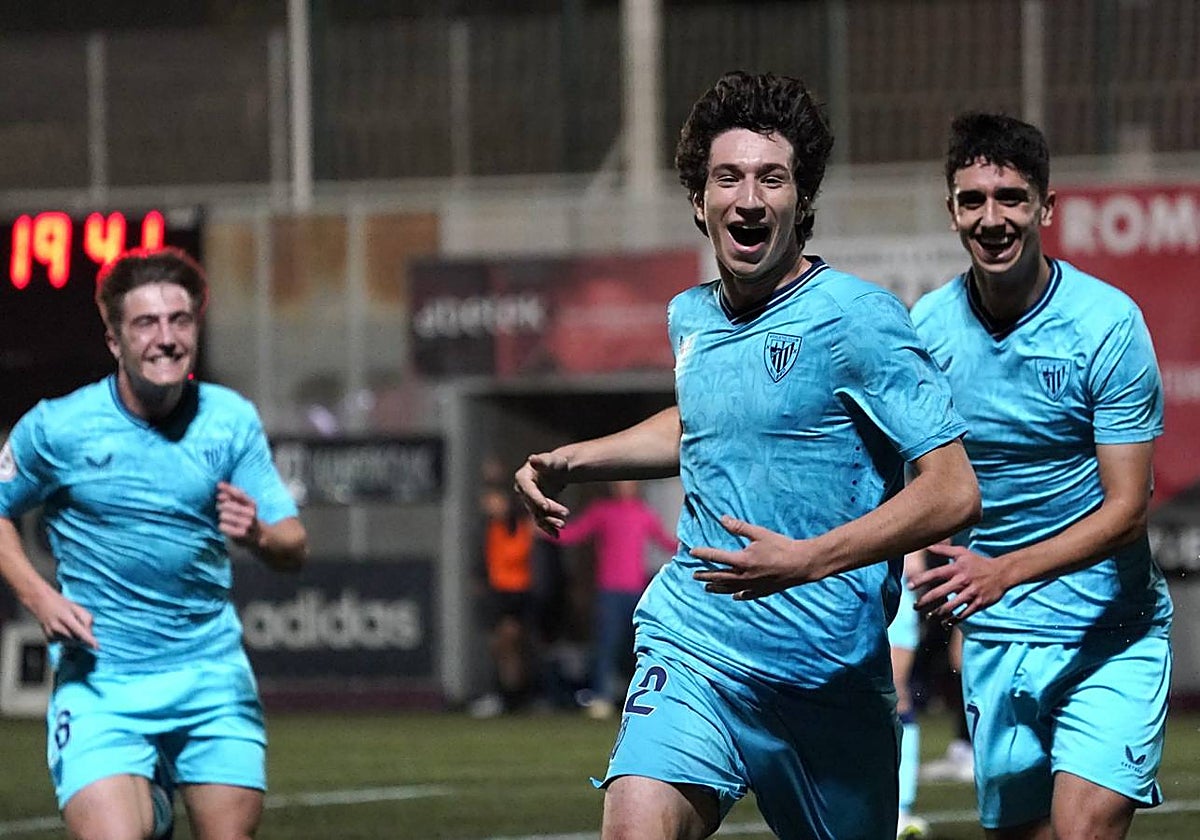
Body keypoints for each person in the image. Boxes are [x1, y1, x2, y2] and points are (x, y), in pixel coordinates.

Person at [515, 70, 980, 840]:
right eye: (728, 177)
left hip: (826, 676)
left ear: (802, 198)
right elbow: (704, 422)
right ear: (700, 201)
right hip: (696, 646)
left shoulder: (859, 319)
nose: (750, 198)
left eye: (772, 178)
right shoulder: (690, 317)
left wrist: (810, 559)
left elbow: (955, 490)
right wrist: (575, 458)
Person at [909, 112, 1172, 840]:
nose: (991, 219)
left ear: (1046, 208)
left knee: (1083, 829)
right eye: (972, 200)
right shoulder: (927, 329)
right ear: (952, 211)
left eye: (1011, 198)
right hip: (996, 639)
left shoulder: (1106, 324)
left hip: (1108, 634)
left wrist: (1005, 571)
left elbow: (1129, 508)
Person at [0, 248, 307, 840]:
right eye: (145, 323)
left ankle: (157, 799)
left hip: (209, 674)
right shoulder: (58, 427)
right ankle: (152, 809)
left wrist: (260, 535)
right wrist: (39, 598)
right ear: (114, 340)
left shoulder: (230, 420)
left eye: (179, 320)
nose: (165, 338)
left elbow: (294, 544)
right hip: (102, 679)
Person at [551, 480, 677, 719]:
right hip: (609, 591)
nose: (623, 487)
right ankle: (602, 696)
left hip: (637, 592)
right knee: (606, 644)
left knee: (640, 647)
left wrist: (694, 547)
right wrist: (547, 531)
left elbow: (664, 541)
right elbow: (576, 533)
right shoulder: (602, 511)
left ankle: (641, 697)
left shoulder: (643, 513)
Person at [471, 483, 537, 717]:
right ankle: (502, 694)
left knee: (515, 643)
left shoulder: (522, 525)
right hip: (497, 595)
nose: (491, 506)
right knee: (499, 647)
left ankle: (518, 695)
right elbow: (481, 561)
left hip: (519, 594)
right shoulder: (487, 529)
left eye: (495, 500)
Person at [889, 551, 930, 839]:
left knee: (895, 694)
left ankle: (901, 807)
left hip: (894, 591)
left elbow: (916, 564)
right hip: (852, 593)